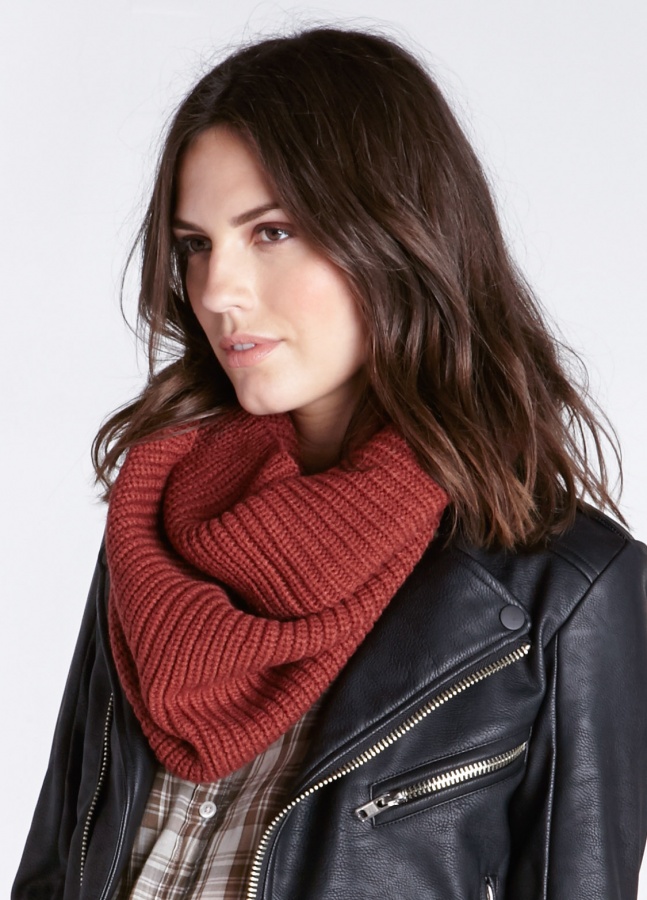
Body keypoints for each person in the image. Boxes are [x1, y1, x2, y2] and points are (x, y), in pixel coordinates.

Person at [12, 26, 647, 900]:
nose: (217, 290)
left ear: (396, 235)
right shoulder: (155, 520)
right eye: (195, 245)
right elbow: (56, 865)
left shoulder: (560, 595)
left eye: (270, 231)